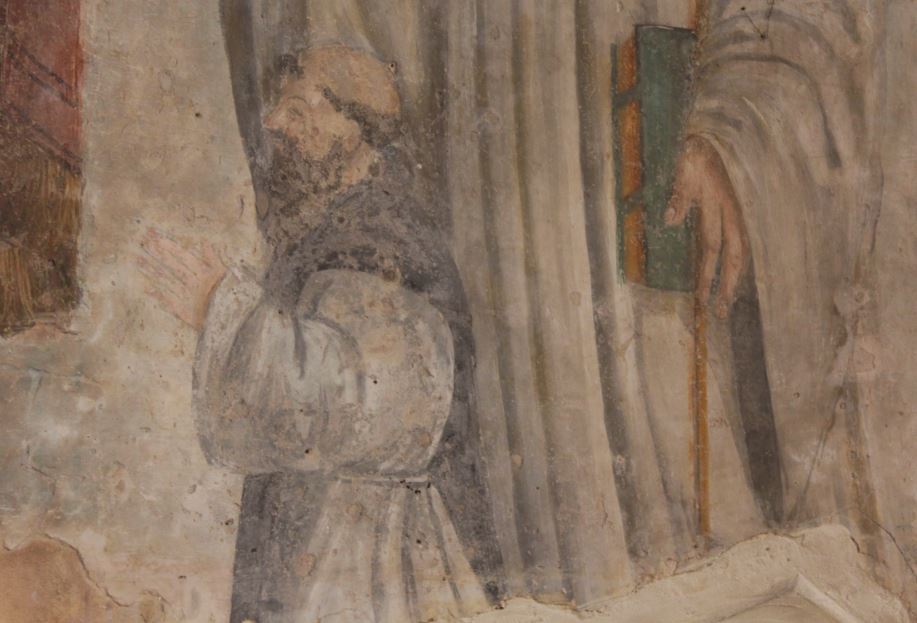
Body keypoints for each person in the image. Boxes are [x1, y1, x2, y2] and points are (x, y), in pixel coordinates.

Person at [139, 45, 492, 622]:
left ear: (354, 129)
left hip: (363, 548)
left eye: (298, 110)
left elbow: (355, 401)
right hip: (313, 522)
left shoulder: (383, 238)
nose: (274, 123)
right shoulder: (327, 227)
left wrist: (223, 310)